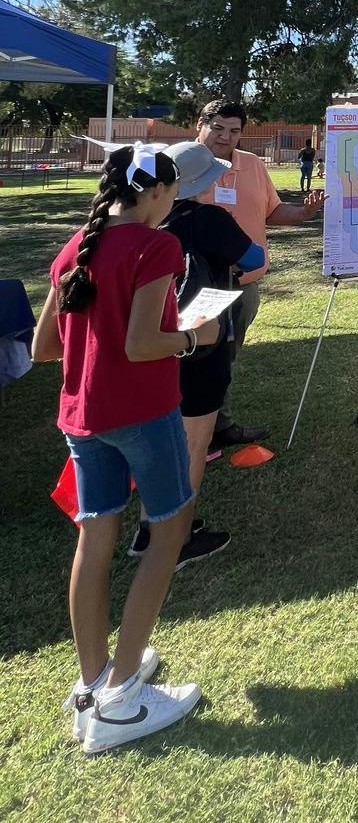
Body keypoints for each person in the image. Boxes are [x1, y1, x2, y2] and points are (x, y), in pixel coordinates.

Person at [31, 146, 223, 753]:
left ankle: (95, 682)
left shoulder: (77, 245)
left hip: (81, 417)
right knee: (169, 531)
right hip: (141, 414)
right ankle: (120, 698)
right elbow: (144, 345)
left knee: (96, 538)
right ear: (156, 193)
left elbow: (44, 347)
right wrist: (197, 335)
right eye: (173, 193)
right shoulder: (157, 246)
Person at [127, 141, 266, 568]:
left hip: (148, 341)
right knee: (193, 441)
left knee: (160, 439)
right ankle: (176, 537)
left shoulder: (141, 222)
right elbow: (254, 257)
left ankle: (150, 524)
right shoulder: (209, 219)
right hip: (200, 340)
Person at [193, 100, 324, 448]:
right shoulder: (183, 165)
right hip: (195, 287)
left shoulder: (251, 165)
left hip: (244, 284)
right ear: (199, 125)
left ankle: (219, 427)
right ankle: (190, 434)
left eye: (234, 131)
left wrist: (304, 213)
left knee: (226, 357)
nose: (225, 137)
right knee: (193, 359)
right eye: (218, 128)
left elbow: (273, 211)